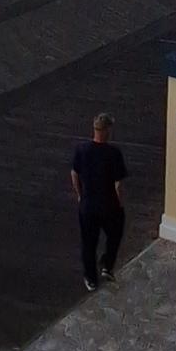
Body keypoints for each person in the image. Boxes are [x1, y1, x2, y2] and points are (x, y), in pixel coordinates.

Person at [66, 112, 129, 290]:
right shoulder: (114, 153)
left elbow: (74, 174)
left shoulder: (82, 150)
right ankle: (107, 265)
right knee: (115, 235)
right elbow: (118, 184)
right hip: (109, 205)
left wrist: (80, 194)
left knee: (88, 243)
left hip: (88, 205)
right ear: (107, 130)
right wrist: (120, 202)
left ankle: (91, 278)